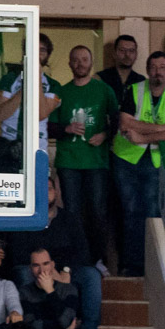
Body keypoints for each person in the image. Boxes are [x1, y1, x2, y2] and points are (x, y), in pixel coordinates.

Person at [112, 51, 165, 277]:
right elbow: (125, 122)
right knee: (129, 212)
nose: (158, 72)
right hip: (127, 158)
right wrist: (162, 129)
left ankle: (150, 267)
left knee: (152, 214)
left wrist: (141, 135)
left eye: (162, 67)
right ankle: (130, 266)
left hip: (155, 161)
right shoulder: (134, 90)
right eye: (153, 67)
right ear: (147, 70)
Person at [3, 179, 102, 329]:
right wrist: (46, 269)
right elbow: (19, 253)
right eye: (41, 189)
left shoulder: (69, 218)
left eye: (49, 188)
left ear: (56, 192)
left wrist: (65, 270)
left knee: (92, 275)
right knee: (23, 272)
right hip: (36, 268)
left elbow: (82, 252)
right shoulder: (26, 218)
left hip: (65, 270)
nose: (45, 193)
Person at [49, 45, 119, 267]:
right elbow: (49, 126)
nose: (80, 64)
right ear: (70, 64)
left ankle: (98, 260)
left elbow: (118, 121)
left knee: (98, 212)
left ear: (91, 63)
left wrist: (105, 135)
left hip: (96, 162)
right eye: (76, 60)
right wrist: (66, 129)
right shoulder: (61, 92)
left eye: (84, 59)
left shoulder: (104, 90)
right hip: (69, 162)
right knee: (72, 213)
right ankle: (74, 261)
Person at [0, 33, 61, 160]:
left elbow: (41, 114)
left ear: (48, 55)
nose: (37, 54)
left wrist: (37, 78)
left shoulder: (53, 85)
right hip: (8, 145)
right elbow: (0, 115)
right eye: (33, 48)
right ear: (25, 52)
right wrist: (25, 85)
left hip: (38, 148)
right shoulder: (9, 79)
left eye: (42, 50)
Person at [18, 247, 84, 329]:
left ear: (52, 265)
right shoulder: (24, 292)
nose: (41, 270)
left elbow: (66, 321)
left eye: (45, 264)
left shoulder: (69, 289)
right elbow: (32, 328)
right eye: (36, 265)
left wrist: (50, 291)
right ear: (30, 268)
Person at [97, 35, 145, 104]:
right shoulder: (101, 79)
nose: (127, 54)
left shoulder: (141, 81)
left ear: (136, 55)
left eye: (131, 51)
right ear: (114, 53)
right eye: (122, 50)